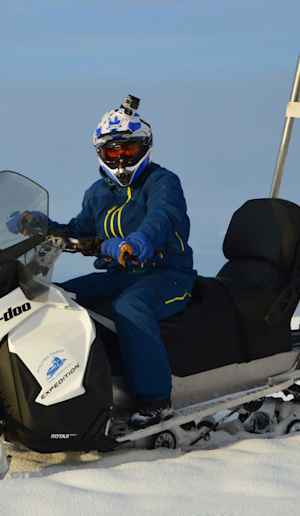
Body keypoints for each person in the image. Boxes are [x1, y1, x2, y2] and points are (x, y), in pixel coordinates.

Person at [20, 95, 196, 429]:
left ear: (145, 147)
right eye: (111, 153)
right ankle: (62, 386)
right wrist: (40, 226)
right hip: (119, 274)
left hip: (166, 275)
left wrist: (137, 241)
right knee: (54, 297)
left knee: (131, 308)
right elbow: (78, 229)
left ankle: (156, 399)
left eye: (127, 151)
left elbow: (162, 218)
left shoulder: (163, 183)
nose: (120, 160)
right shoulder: (98, 193)